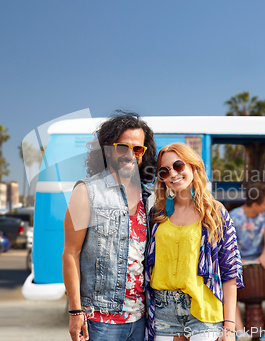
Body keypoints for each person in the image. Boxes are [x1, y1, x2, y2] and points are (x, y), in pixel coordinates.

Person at [63, 111, 157, 341]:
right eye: (122, 147)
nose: (130, 155)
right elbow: (70, 254)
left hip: (141, 319)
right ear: (107, 148)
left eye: (138, 149)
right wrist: (75, 311)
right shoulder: (85, 191)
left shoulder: (149, 198)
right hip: (100, 321)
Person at [145, 143, 244, 341]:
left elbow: (230, 271)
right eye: (164, 171)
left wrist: (230, 326)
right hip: (163, 310)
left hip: (204, 308)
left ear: (193, 166)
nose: (172, 174)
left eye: (178, 165)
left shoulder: (215, 212)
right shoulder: (157, 214)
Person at [229, 182, 265, 341]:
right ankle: (240, 332)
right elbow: (229, 244)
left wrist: (264, 257)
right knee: (229, 287)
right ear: (256, 204)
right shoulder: (233, 216)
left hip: (260, 259)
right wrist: (238, 261)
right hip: (238, 260)